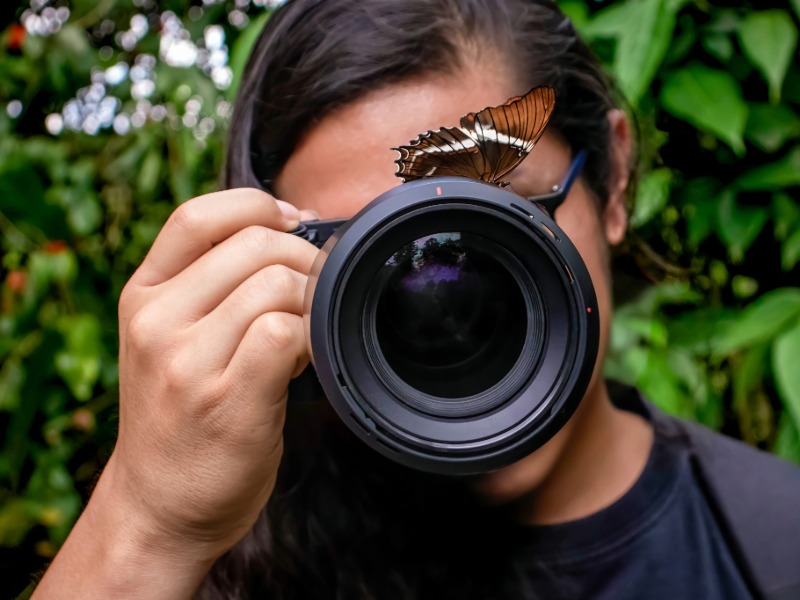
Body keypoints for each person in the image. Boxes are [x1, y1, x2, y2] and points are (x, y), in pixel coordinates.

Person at [33, 1, 800, 599]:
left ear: (616, 179)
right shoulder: (221, 549)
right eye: (362, 247)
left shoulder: (776, 546)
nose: (436, 286)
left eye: (501, 217)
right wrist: (144, 524)